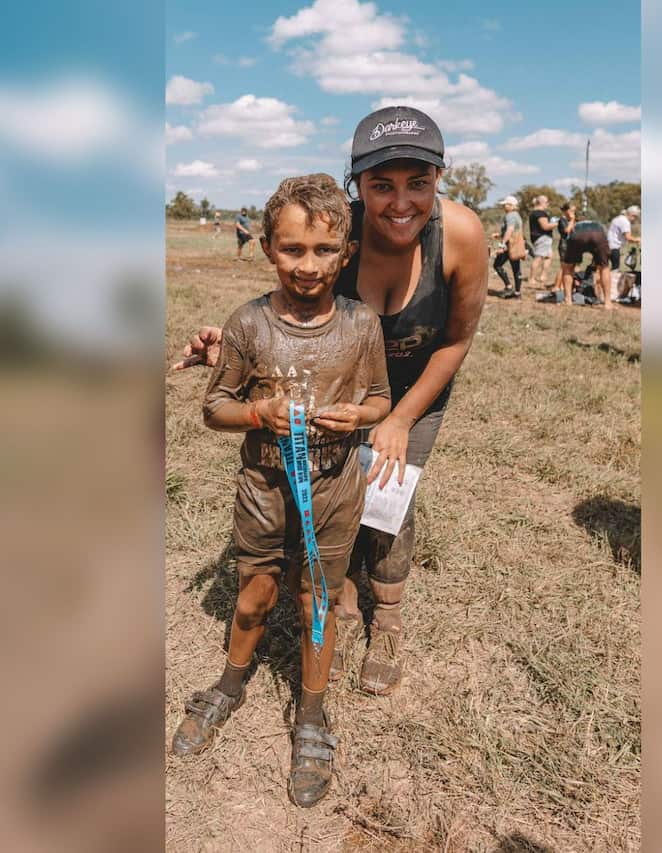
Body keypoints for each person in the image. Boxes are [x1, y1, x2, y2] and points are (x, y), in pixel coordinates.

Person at [174, 105, 488, 698]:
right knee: (337, 495)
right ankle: (339, 607)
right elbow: (296, 300)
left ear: (440, 180)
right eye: (381, 186)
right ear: (357, 187)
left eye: (418, 183)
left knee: (389, 497)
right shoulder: (334, 231)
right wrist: (230, 345)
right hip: (339, 386)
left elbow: (457, 338)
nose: (401, 203)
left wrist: (398, 418)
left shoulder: (462, 234)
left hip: (419, 384)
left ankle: (387, 619)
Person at [170, 174, 392, 808]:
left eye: (325, 251)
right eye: (292, 249)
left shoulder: (360, 325)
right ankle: (230, 683)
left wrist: (362, 416)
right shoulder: (248, 324)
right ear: (268, 248)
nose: (308, 266)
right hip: (265, 488)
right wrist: (258, 414)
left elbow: (379, 397)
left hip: (333, 488)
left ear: (346, 253)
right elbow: (214, 408)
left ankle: (313, 714)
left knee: (315, 600)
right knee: (254, 599)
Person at [559, 219, 613, 309]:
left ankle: (567, 300)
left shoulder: (576, 224)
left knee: (568, 267)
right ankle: (608, 303)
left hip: (577, 234)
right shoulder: (598, 224)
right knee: (604, 268)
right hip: (598, 234)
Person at [491, 195, 524, 298]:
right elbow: (513, 230)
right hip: (516, 245)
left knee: (497, 265)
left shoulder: (510, 216)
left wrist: (502, 244)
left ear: (511, 205)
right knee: (516, 268)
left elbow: (510, 230)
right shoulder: (516, 215)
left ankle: (509, 287)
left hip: (509, 245)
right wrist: (500, 235)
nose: (503, 206)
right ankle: (517, 293)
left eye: (505, 205)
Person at [527, 196, 557, 287]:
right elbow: (545, 226)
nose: (548, 204)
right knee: (539, 257)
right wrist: (558, 223)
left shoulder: (534, 213)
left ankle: (543, 276)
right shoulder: (540, 213)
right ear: (542, 202)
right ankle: (531, 278)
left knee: (549, 256)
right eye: (547, 202)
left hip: (542, 238)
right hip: (542, 238)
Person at [606, 205, 640, 273]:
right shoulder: (625, 222)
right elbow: (628, 237)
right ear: (632, 215)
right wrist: (638, 239)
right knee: (615, 269)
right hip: (614, 248)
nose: (635, 219)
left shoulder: (618, 218)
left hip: (607, 246)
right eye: (635, 217)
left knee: (603, 268)